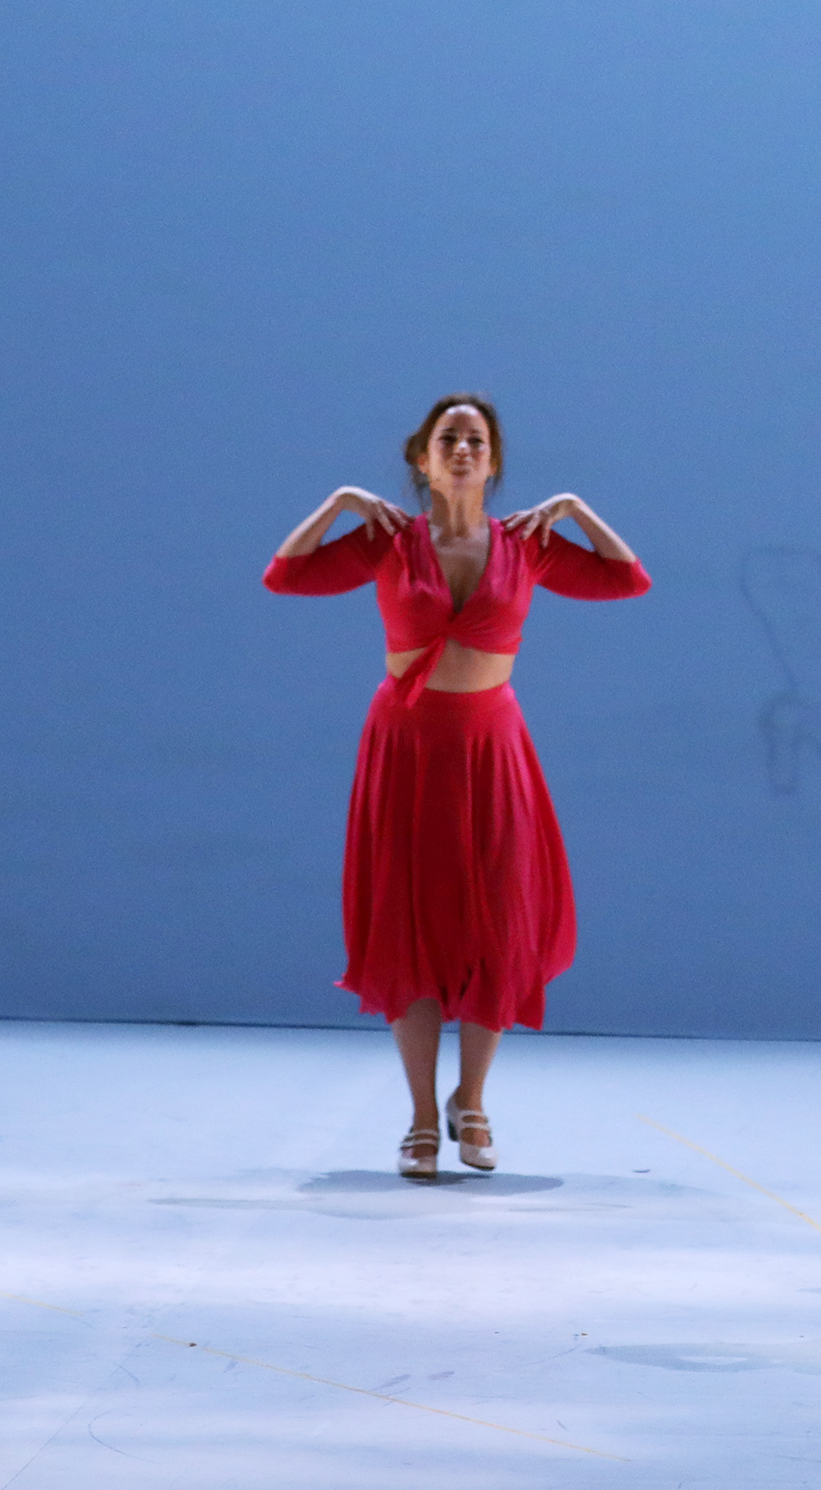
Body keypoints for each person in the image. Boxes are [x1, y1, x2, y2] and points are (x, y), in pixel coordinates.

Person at [267, 393, 646, 1179]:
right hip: (406, 747)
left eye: (477, 439)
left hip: (491, 748)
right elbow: (286, 575)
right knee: (408, 922)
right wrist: (338, 502)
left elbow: (627, 580)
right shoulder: (388, 541)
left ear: (493, 459)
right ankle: (418, 1116)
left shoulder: (526, 545)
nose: (464, 449)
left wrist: (576, 509)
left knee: (496, 921)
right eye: (450, 438)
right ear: (423, 458)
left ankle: (470, 1098)